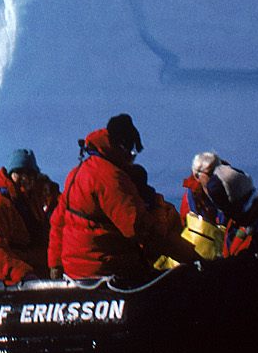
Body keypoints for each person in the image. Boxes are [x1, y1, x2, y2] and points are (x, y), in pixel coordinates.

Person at [53, 114, 200, 281]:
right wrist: (193, 258)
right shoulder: (110, 177)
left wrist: (55, 265)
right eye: (132, 151)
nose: (133, 157)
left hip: (76, 270)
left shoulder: (77, 172)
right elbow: (140, 229)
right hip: (105, 268)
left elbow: (58, 222)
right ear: (121, 147)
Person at [0, 148, 48, 284]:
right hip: (13, 279)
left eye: (30, 174)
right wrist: (21, 273)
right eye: (19, 172)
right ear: (11, 174)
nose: (25, 178)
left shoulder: (33, 202)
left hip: (39, 274)